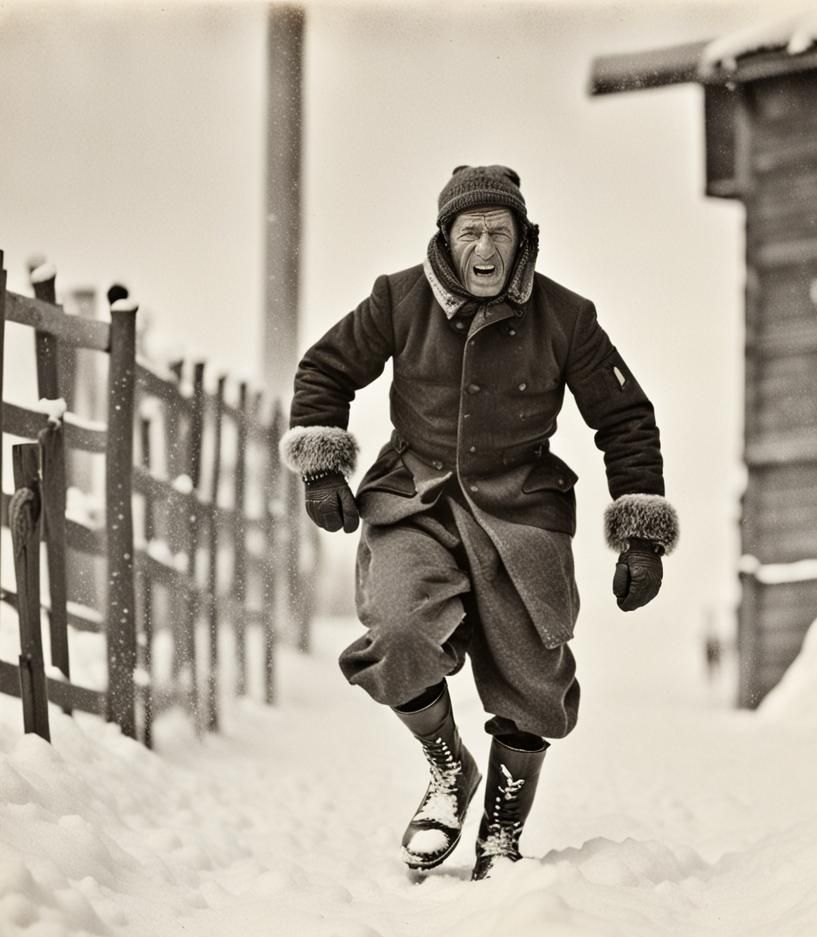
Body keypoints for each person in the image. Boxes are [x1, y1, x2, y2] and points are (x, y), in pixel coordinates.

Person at [280, 165, 678, 880]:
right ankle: (448, 771)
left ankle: (501, 827)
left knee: (534, 679)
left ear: (524, 240)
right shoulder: (399, 299)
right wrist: (321, 465)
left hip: (522, 509)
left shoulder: (567, 318)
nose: (486, 248)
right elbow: (325, 370)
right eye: (471, 232)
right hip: (415, 497)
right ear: (447, 239)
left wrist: (641, 535)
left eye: (500, 232)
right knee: (398, 632)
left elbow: (624, 419)